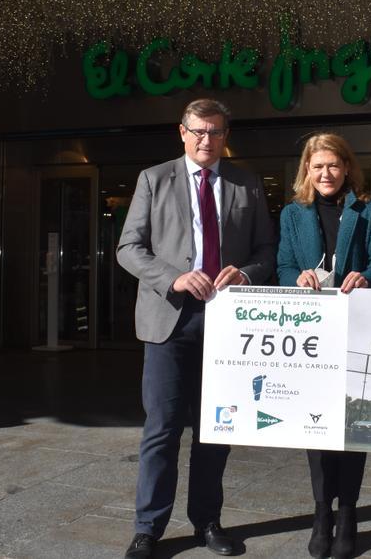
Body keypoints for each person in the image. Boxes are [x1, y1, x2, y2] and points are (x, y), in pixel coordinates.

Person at [117, 98, 276, 559]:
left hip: (228, 324)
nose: (207, 140)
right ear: (182, 132)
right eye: (199, 132)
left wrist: (246, 273)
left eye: (216, 132)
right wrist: (173, 276)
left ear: (227, 136)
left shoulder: (247, 183)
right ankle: (148, 528)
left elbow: (266, 249)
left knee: (216, 429)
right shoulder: (154, 178)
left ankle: (207, 521)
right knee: (163, 429)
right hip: (170, 318)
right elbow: (129, 247)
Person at [276, 132, 371, 559]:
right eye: (317, 165)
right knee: (318, 426)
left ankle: (349, 513)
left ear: (347, 168)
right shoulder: (293, 213)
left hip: (357, 328)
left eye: (333, 165)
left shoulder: (369, 209)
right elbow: (284, 265)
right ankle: (321, 510)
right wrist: (297, 278)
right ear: (307, 169)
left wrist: (367, 276)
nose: (325, 173)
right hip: (313, 335)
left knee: (354, 425)